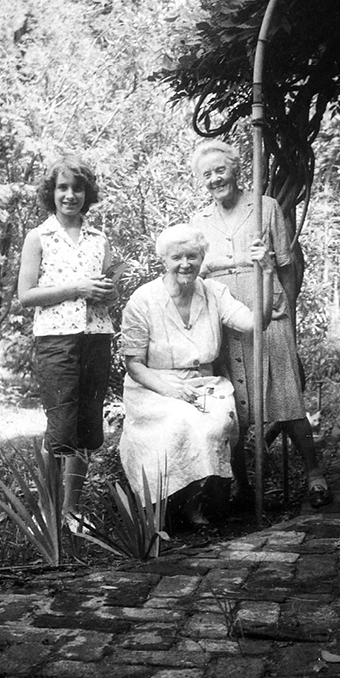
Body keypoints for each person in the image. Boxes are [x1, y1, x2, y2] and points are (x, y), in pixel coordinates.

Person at [190, 140, 332, 509]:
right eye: (206, 174)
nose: (214, 179)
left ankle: (315, 474)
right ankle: (241, 485)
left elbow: (285, 269)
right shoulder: (199, 222)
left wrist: (288, 321)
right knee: (232, 407)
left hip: (270, 317)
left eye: (220, 170)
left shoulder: (265, 208)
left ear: (236, 169)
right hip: (226, 322)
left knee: (286, 398)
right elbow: (193, 277)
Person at [118, 224, 273, 530]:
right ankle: (162, 509)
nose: (185, 263)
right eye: (177, 256)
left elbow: (256, 322)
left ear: (203, 258)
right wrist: (167, 389)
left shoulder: (215, 293)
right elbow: (134, 363)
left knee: (210, 421)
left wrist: (267, 274)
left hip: (205, 385)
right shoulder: (144, 299)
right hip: (152, 386)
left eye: (193, 255)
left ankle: (191, 505)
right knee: (176, 422)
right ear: (164, 259)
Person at [18, 156, 116, 529]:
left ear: (86, 194)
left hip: (96, 337)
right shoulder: (38, 237)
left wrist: (107, 291)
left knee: (87, 427)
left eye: (77, 188)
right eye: (62, 188)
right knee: (60, 427)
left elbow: (108, 294)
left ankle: (72, 510)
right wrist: (77, 288)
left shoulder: (99, 239)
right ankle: (49, 510)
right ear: (51, 193)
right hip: (56, 340)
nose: (70, 195)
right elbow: (26, 295)